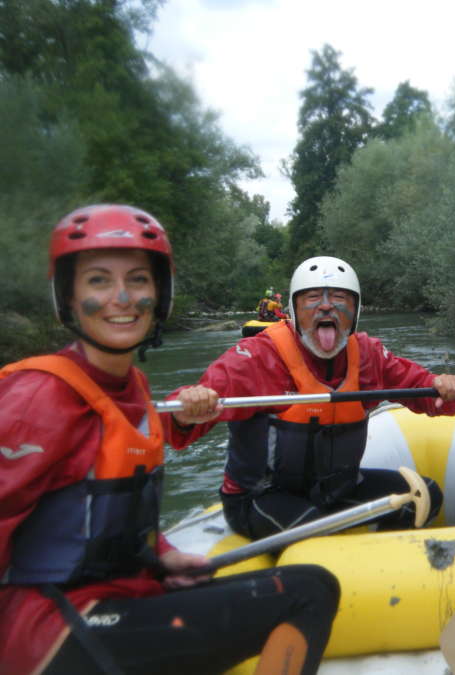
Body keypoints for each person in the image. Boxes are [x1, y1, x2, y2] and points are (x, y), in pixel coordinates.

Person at [0, 205, 340, 675]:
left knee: (303, 585)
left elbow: (107, 518)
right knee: (308, 592)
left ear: (159, 294)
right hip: (49, 630)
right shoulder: (36, 397)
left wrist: (162, 556)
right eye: (98, 280)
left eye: (138, 280)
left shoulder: (133, 387)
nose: (122, 296)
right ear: (68, 297)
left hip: (117, 599)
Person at [168, 256, 455, 541]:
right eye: (312, 298)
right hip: (260, 498)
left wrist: (441, 387)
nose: (326, 307)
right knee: (315, 528)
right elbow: (177, 425)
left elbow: (421, 388)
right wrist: (187, 409)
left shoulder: (368, 354)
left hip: (337, 490)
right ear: (294, 309)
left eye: (339, 298)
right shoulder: (255, 358)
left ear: (356, 309)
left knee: (425, 495)